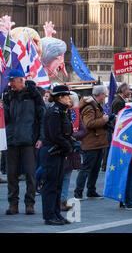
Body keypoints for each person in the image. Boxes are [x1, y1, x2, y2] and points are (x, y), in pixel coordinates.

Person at [2, 69, 45, 215]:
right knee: (11, 174)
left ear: (21, 80)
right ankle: (13, 204)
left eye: (13, 80)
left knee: (30, 174)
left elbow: (42, 118)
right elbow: (6, 119)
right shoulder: (7, 96)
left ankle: (29, 203)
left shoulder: (34, 95)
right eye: (10, 81)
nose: (10, 83)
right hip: (11, 141)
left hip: (29, 141)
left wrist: (41, 137)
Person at [40, 85, 73, 225]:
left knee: (58, 184)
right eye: (67, 96)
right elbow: (55, 135)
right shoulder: (54, 112)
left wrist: (68, 143)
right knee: (50, 185)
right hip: (52, 152)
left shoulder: (63, 111)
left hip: (59, 152)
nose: (69, 98)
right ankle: (49, 216)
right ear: (60, 97)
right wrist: (68, 146)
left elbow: (65, 133)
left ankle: (56, 213)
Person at [74, 85, 109, 200]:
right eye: (105, 94)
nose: (106, 96)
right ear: (100, 95)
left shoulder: (96, 105)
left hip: (98, 141)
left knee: (95, 168)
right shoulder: (90, 107)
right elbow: (88, 124)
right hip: (91, 142)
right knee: (86, 168)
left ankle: (91, 191)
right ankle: (78, 193)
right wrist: (103, 120)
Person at [60, 92, 86, 211]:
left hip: (71, 149)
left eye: (70, 99)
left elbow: (83, 130)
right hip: (60, 148)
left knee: (67, 176)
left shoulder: (76, 113)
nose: (68, 101)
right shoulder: (57, 112)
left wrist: (74, 135)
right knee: (58, 176)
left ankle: (63, 201)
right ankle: (56, 200)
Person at [102, 82, 131, 171]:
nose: (130, 91)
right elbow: (117, 116)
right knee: (111, 147)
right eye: (129, 89)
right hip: (116, 128)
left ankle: (106, 165)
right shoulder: (119, 101)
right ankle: (106, 165)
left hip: (116, 128)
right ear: (123, 90)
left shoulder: (121, 100)